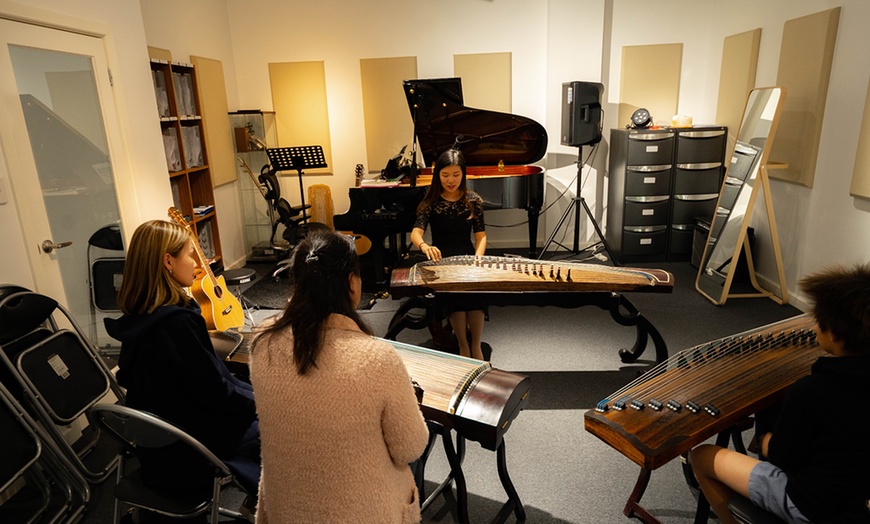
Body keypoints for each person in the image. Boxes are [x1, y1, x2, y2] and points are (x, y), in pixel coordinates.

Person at [249, 230, 430, 523]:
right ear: (352, 284)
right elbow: (410, 447)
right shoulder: (377, 359)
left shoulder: (262, 342)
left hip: (286, 508)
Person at [689, 263, 870, 524]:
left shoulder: (812, 390)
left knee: (702, 456)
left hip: (812, 505)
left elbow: (784, 457)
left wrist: (765, 439)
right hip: (855, 499)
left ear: (833, 333)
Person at [105, 220, 259, 516]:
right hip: (187, 451)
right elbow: (216, 392)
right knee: (279, 428)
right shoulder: (176, 324)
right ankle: (263, 503)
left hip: (157, 446)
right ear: (168, 262)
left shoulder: (138, 316)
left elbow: (210, 383)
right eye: (190, 255)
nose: (197, 265)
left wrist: (255, 394)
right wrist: (263, 400)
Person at [410, 149, 488, 360]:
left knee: (475, 299)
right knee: (456, 300)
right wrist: (425, 246)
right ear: (438, 175)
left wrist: (478, 258)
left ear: (463, 174)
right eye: (445, 175)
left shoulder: (473, 200)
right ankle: (463, 345)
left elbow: (481, 236)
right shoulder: (431, 201)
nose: (450, 180)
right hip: (443, 261)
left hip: (468, 258)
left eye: (456, 175)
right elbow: (416, 233)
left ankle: (476, 345)